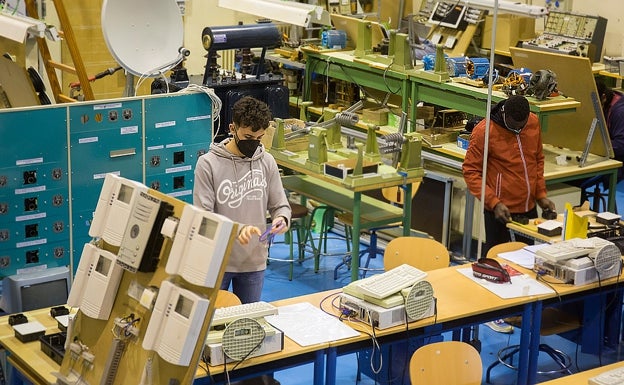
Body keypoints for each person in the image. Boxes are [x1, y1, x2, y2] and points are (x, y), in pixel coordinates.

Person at [463, 95, 556, 333]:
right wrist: (493, 202)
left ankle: (520, 308)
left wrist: (541, 194)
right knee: (495, 260)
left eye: (522, 125)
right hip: (499, 208)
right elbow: (471, 171)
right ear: (505, 115)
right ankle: (490, 310)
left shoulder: (532, 123)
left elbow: (537, 160)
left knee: (525, 261)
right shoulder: (485, 131)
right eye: (515, 125)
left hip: (527, 205)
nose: (519, 129)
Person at [193, 96, 292, 304]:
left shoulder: (267, 161)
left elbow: (280, 204)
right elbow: (203, 217)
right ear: (232, 128)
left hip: (254, 260)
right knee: (209, 324)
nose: (253, 143)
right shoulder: (208, 164)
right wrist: (236, 230)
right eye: (248, 136)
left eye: (259, 137)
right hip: (217, 261)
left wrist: (282, 218)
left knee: (246, 326)